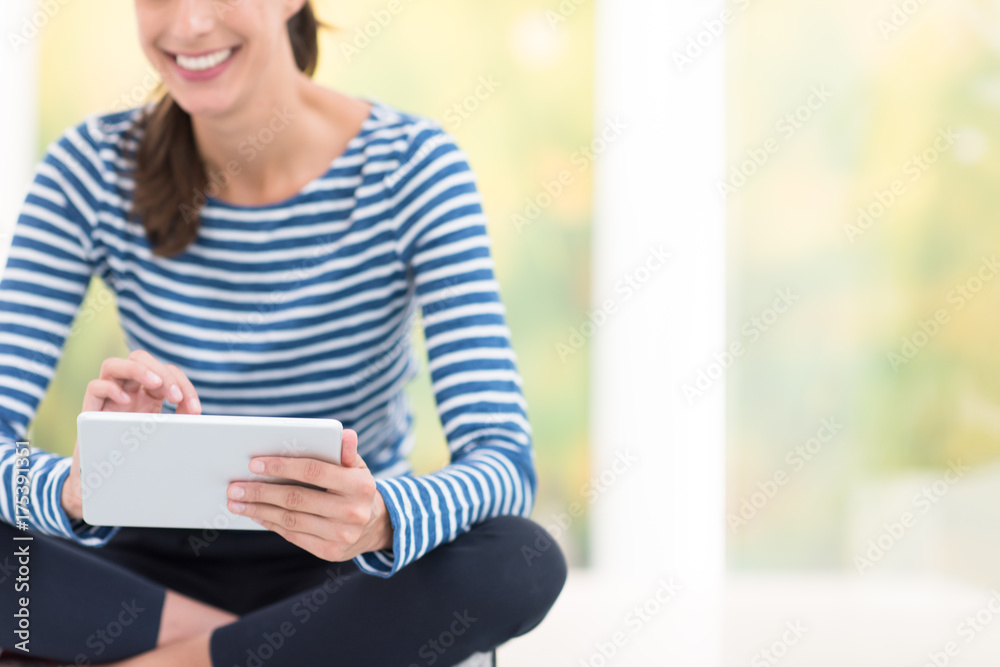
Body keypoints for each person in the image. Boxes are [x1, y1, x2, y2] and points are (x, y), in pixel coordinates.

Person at [0, 1, 567, 665]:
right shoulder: (90, 168)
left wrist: (382, 515)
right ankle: (254, 651)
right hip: (154, 576)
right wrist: (79, 485)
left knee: (520, 556)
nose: (188, 25)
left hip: (341, 569)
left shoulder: (411, 168)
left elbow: (503, 459)